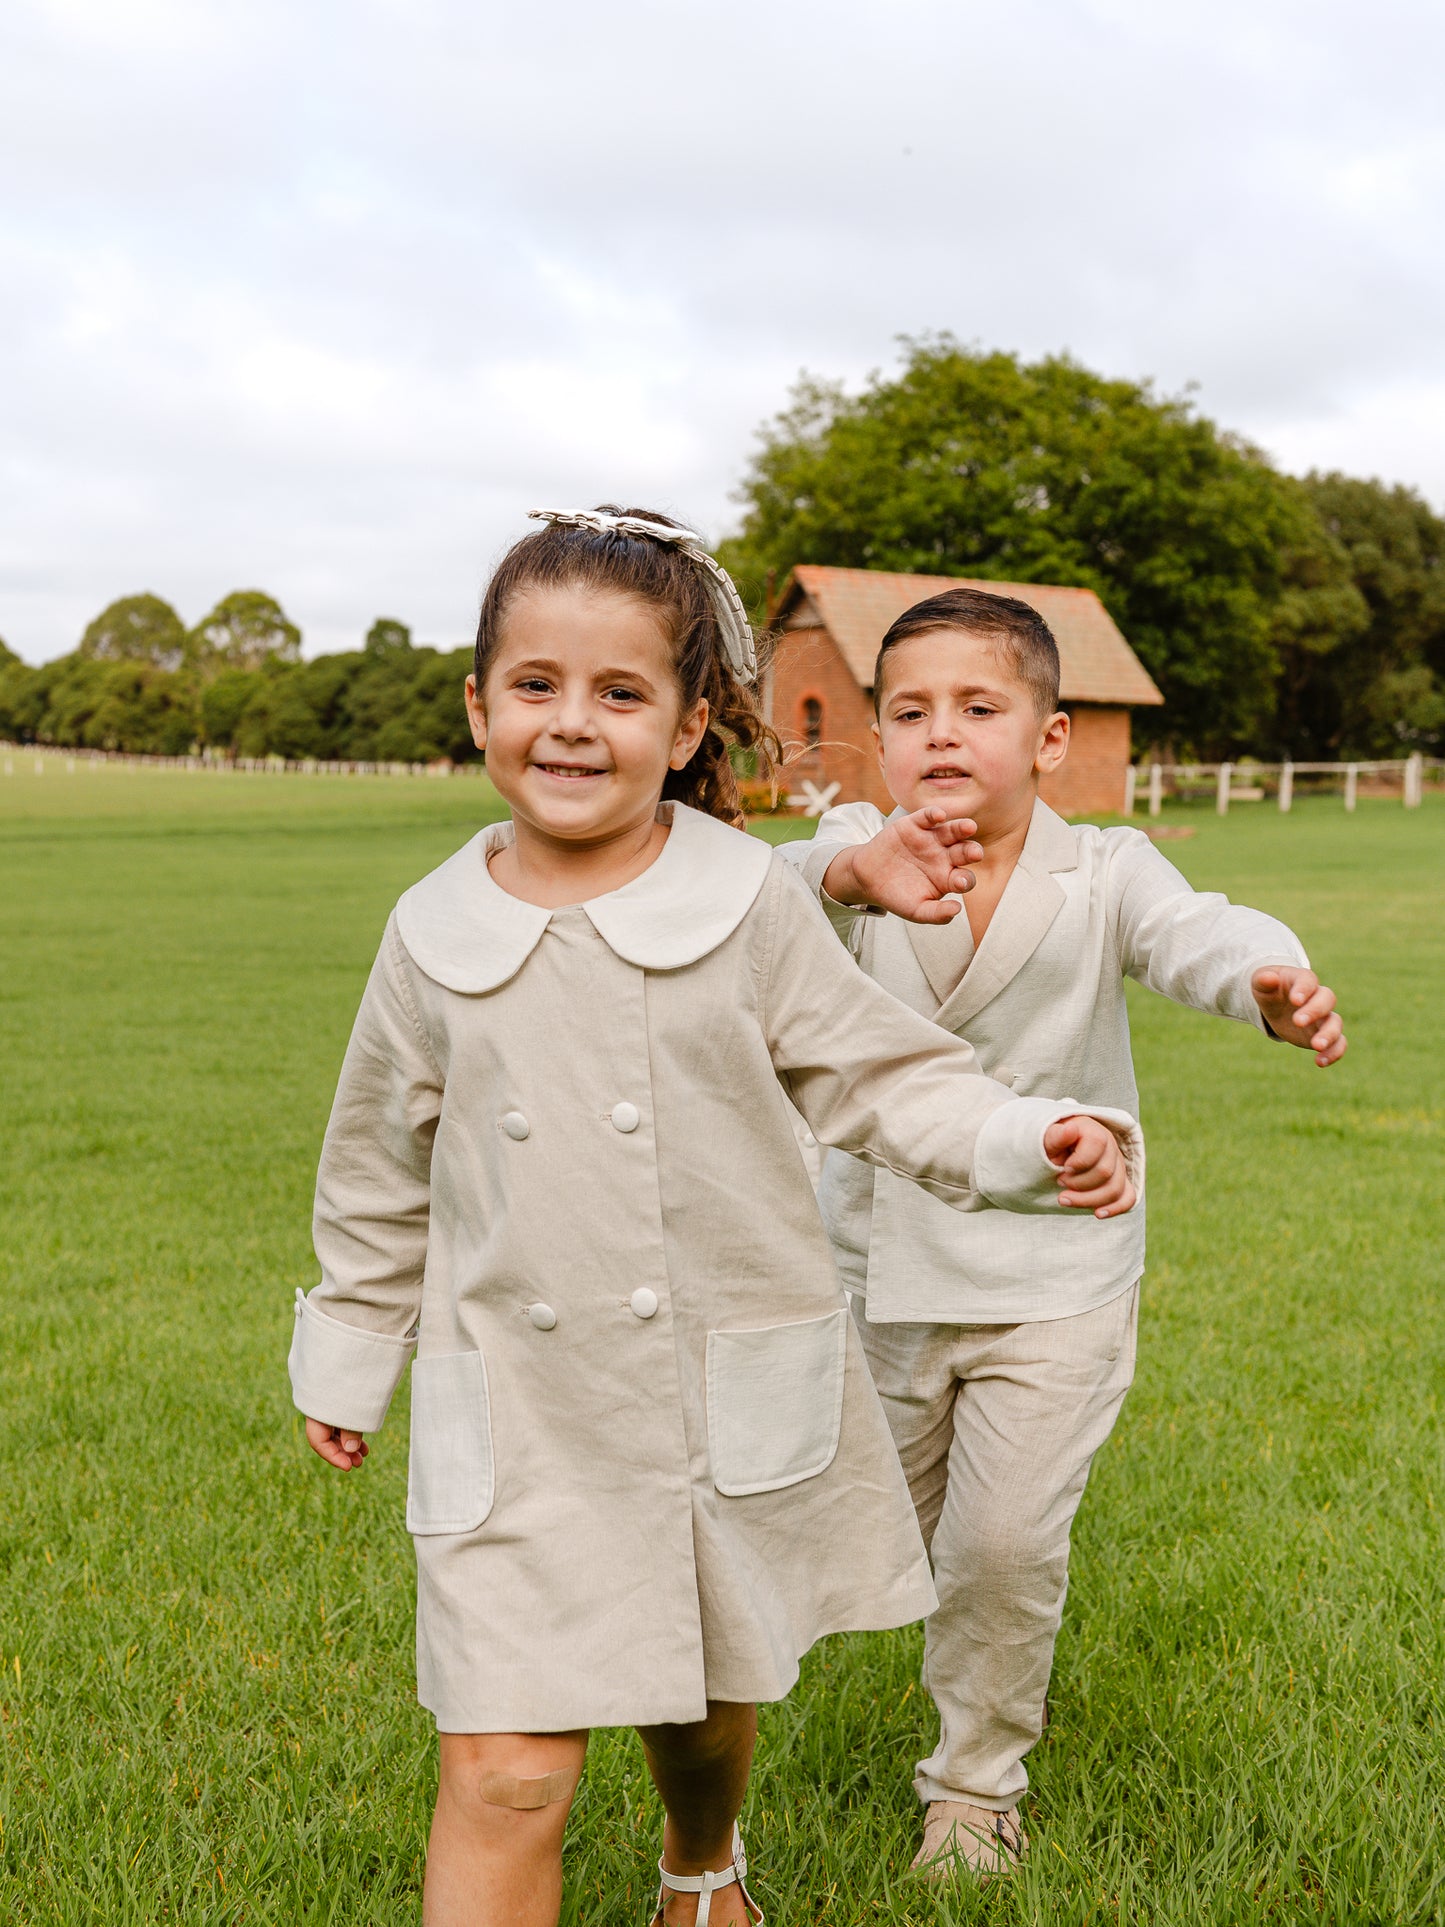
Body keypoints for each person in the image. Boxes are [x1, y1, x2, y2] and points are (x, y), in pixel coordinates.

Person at [287, 514, 1142, 1927]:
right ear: (479, 707)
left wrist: (1023, 1139)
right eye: (536, 685)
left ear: (688, 725)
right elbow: (376, 1167)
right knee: (507, 1775)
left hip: (703, 1387)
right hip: (516, 1408)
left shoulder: (741, 901)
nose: (574, 723)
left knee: (697, 1701)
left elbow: (884, 1078)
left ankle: (701, 1864)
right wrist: (350, 1349)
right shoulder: (429, 931)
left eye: (620, 692)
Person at [782, 584, 1347, 1885]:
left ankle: (973, 1785)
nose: (939, 732)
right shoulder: (850, 848)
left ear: (1046, 739)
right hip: (876, 1276)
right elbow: (767, 898)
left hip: (1056, 1276)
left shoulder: (1104, 871)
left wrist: (1265, 980)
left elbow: (1198, 931)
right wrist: (847, 872)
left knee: (1001, 1547)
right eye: (909, 711)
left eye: (977, 707)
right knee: (859, 1536)